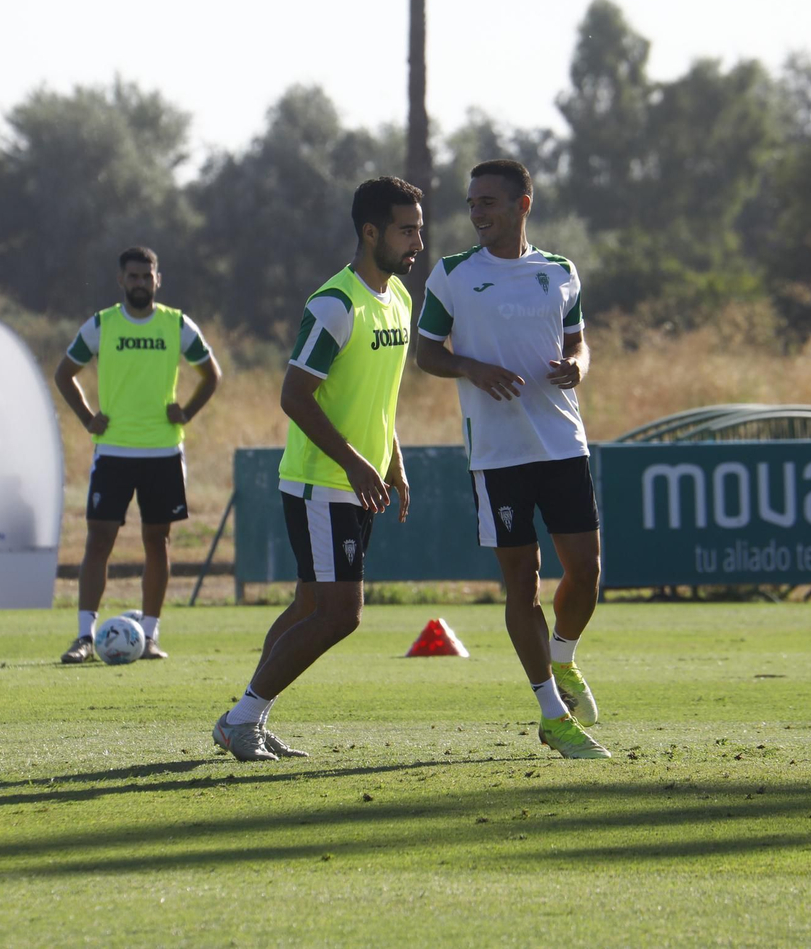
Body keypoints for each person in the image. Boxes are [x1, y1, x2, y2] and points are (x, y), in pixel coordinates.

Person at [212, 176, 423, 761]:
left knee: (309, 607)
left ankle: (246, 715)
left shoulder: (399, 300)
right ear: (370, 231)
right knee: (340, 614)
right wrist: (356, 463)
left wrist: (393, 461)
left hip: (357, 480)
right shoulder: (334, 304)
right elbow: (295, 395)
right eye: (406, 231)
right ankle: (243, 716)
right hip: (321, 482)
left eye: (420, 231)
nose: (416, 243)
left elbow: (376, 400)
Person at [413, 159, 608, 759]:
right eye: (472, 203)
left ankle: (563, 657)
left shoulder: (559, 271)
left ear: (523, 204)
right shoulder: (450, 275)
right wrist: (470, 366)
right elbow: (426, 353)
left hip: (561, 443)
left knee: (586, 571)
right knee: (522, 583)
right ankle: (551, 713)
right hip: (497, 457)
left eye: (489, 202)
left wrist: (579, 366)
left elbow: (578, 341)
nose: (477, 213)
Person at [54, 246, 221, 663]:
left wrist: (186, 411)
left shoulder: (177, 325)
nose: (141, 283)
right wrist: (87, 417)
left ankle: (149, 636)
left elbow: (210, 374)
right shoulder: (102, 324)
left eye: (148, 277)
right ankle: (83, 638)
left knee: (157, 541)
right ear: (121, 281)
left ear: (158, 280)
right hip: (113, 451)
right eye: (133, 277)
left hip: (162, 451)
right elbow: (64, 373)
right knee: (99, 540)